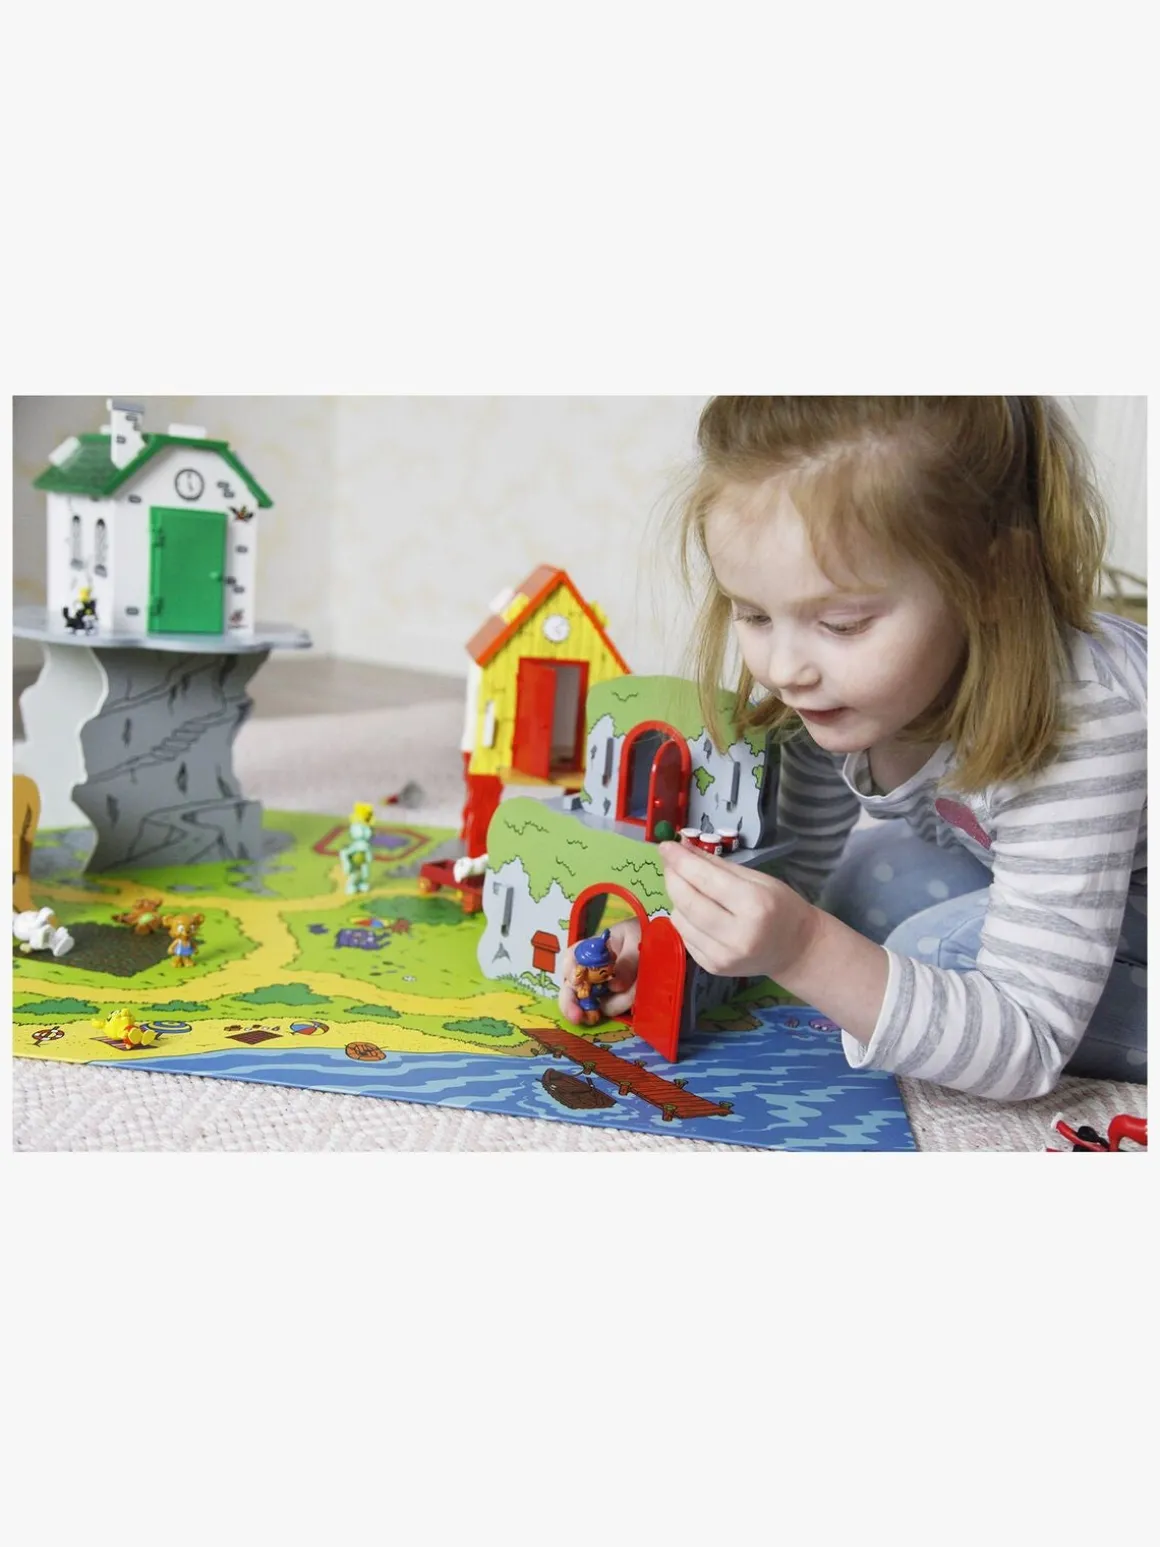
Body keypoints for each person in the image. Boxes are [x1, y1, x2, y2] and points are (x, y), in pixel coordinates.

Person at [557, 396, 1146, 1099]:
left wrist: (804, 949)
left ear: (993, 583)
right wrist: (676, 942)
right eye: (753, 614)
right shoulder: (835, 692)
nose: (784, 669)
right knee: (859, 893)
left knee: (915, 953)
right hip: (1090, 882)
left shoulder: (1085, 724)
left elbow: (1028, 1042)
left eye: (841, 624)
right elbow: (795, 876)